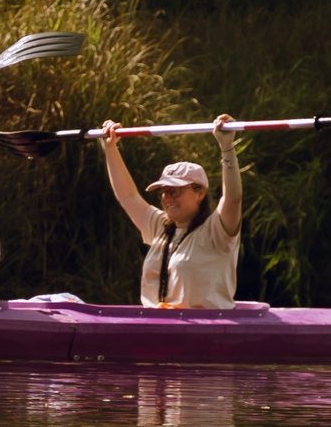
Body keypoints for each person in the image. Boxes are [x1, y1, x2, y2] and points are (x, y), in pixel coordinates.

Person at [101, 114, 243, 308]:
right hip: (159, 329)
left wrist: (227, 148)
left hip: (203, 332)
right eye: (164, 191)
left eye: (175, 191)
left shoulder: (216, 231)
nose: (167, 198)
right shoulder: (159, 225)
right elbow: (128, 196)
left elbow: (233, 199)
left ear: (200, 193)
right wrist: (110, 148)